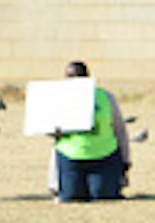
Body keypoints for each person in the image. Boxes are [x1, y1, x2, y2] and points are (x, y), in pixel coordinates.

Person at [52, 60, 130, 202]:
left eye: (79, 76)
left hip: (104, 156)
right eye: (70, 77)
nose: (75, 80)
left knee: (103, 197)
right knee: (71, 198)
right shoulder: (58, 98)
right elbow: (54, 140)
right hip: (71, 157)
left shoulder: (105, 97)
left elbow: (119, 129)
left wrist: (125, 160)